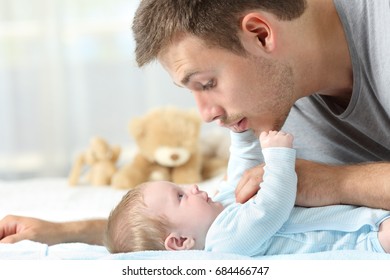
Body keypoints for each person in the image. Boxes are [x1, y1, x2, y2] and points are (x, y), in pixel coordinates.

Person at [0, 0, 389, 246]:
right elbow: (214, 225)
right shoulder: (277, 106)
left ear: (260, 34)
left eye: (207, 84)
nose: (206, 114)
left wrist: (336, 182)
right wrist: (71, 234)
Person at [105, 130, 390, 256]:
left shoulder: (222, 207)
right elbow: (271, 207)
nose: (192, 188)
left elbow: (241, 168)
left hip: (363, 216)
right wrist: (279, 157)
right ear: (180, 241)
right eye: (180, 197)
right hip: (364, 239)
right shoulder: (226, 241)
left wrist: (240, 135)